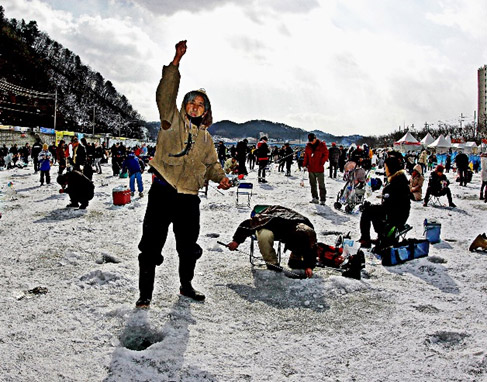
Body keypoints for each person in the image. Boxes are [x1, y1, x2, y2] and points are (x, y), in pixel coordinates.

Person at [136, 40, 231, 308]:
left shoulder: (207, 139)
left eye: (200, 104)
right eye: (191, 102)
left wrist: (220, 177)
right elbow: (166, 94)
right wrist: (175, 63)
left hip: (189, 199)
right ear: (185, 106)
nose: (195, 106)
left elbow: (211, 165)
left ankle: (186, 285)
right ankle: (145, 295)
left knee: (188, 248)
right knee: (150, 247)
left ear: (206, 111)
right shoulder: (171, 121)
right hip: (163, 192)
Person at [226, 205, 319, 278]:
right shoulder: (272, 221)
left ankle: (296, 260)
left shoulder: (308, 227)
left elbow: (311, 247)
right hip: (271, 221)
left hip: (288, 229)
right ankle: (272, 264)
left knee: (301, 250)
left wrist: (309, 266)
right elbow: (246, 224)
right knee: (264, 235)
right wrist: (236, 241)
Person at [358, 155, 411, 248]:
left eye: (386, 167)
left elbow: (388, 207)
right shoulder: (401, 180)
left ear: (391, 168)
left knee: (367, 211)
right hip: (401, 215)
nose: (385, 170)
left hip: (395, 218)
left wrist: (371, 207)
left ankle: (365, 239)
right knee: (373, 210)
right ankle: (379, 236)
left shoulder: (395, 184)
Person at [303, 133, 329, 205]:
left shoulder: (322, 145)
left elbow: (326, 154)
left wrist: (322, 162)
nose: (311, 142)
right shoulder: (308, 146)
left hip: (319, 168)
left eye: (312, 140)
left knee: (321, 185)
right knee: (312, 184)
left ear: (315, 138)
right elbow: (306, 156)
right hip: (311, 168)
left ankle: (323, 199)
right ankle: (315, 197)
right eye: (310, 140)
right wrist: (305, 165)